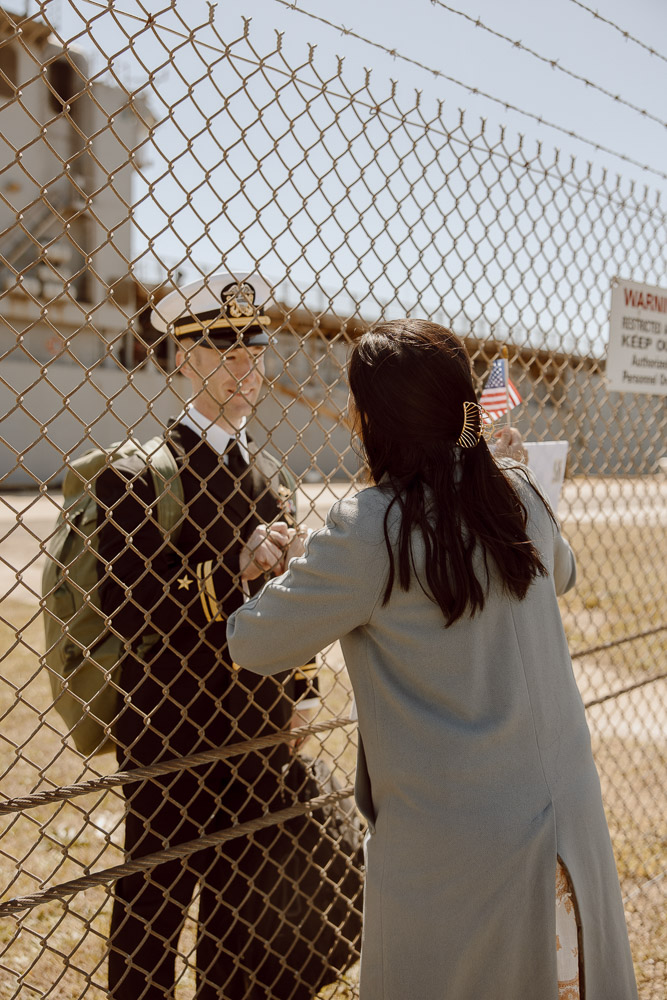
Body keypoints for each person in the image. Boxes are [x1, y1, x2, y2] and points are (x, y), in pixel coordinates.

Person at [227, 319, 639, 1000]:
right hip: (568, 824)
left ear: (369, 418)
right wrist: (504, 472)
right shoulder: (517, 497)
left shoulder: (368, 529)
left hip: (456, 848)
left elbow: (253, 643)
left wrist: (279, 567)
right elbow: (558, 574)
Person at [97, 272, 318, 1000]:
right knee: (152, 910)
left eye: (253, 348)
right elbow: (126, 608)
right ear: (181, 360)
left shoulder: (270, 474)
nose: (243, 366)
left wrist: (303, 690)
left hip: (254, 727)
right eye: (220, 350)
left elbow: (293, 602)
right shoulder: (136, 475)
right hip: (168, 731)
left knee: (239, 916)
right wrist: (231, 569)